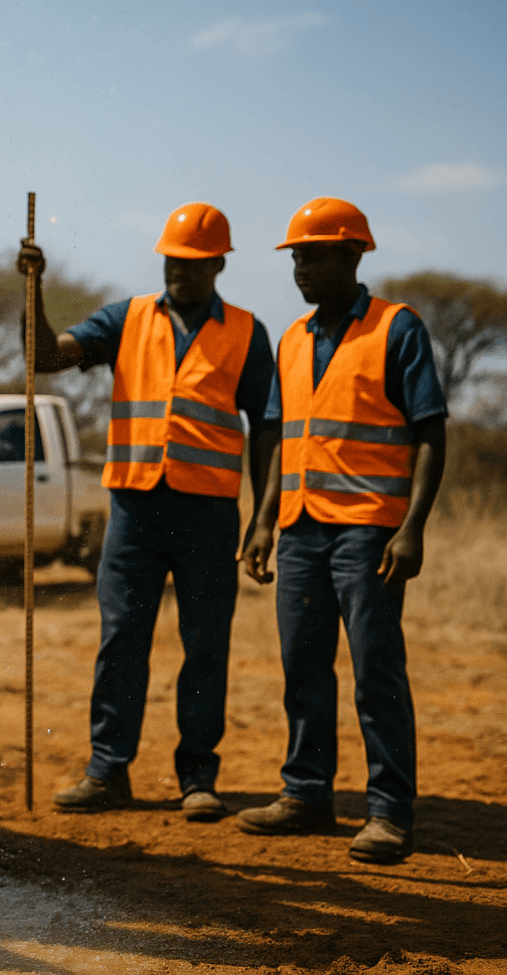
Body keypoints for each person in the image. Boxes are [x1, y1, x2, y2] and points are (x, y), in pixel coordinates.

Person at [21, 203, 277, 821]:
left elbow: (267, 428)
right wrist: (33, 289)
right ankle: (108, 772)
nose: (178, 271)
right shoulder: (126, 319)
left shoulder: (247, 332)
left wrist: (264, 517)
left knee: (206, 645)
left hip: (210, 516)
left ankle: (198, 778)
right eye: (171, 260)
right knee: (121, 641)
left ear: (218, 265)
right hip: (134, 510)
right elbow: (44, 358)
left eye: (192, 262)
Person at [239, 197, 447, 864]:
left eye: (315, 255)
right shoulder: (293, 340)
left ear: (353, 255)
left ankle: (390, 812)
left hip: (368, 533)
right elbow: (280, 438)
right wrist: (263, 520)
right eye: (296, 257)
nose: (301, 268)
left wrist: (412, 528)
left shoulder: (396, 328)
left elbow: (430, 433)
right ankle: (306, 793)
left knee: (375, 670)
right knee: (302, 666)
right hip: (299, 529)